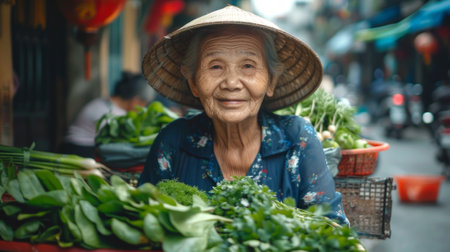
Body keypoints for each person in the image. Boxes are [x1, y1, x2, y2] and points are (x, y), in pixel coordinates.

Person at [139, 6, 348, 225]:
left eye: (248, 66)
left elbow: (332, 228)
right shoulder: (173, 142)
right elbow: (146, 225)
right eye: (216, 66)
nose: (231, 83)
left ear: (271, 81)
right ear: (193, 82)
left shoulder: (297, 139)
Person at [61, 72, 156, 158]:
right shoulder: (107, 112)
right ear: (135, 100)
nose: (142, 109)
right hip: (78, 150)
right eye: (143, 104)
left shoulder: (105, 103)